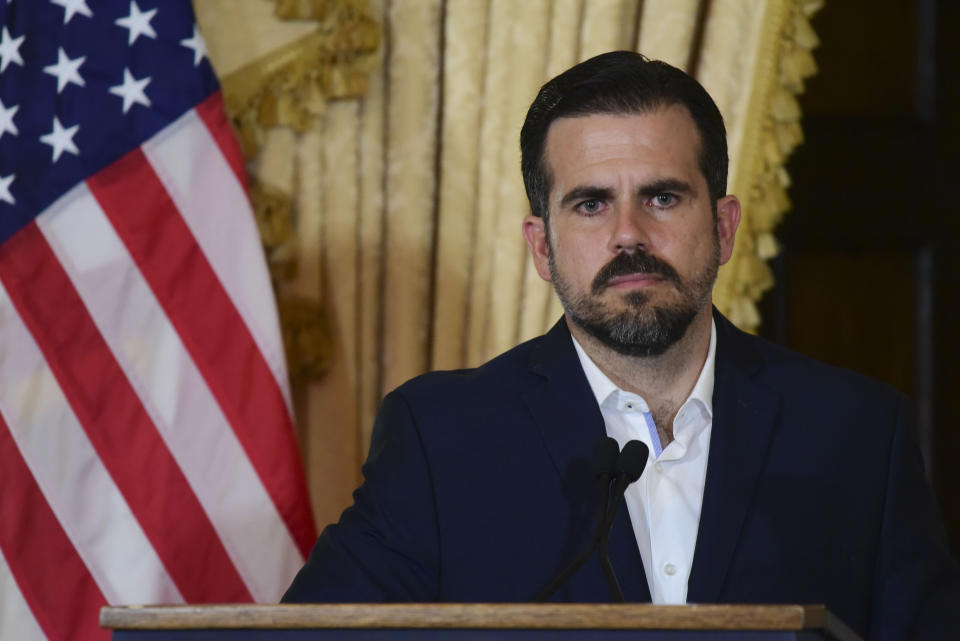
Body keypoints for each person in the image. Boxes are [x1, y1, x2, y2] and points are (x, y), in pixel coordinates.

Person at [283, 51, 959, 640]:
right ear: (541, 246)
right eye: (591, 204)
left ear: (724, 228)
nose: (629, 235)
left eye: (663, 198)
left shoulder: (860, 433)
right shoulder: (441, 439)